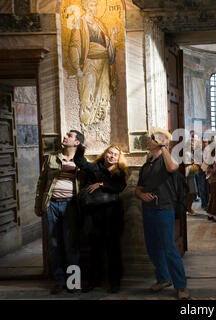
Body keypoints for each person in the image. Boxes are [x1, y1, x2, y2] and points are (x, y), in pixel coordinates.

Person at [135, 127, 190, 300]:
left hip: (164, 209)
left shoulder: (166, 161)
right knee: (152, 248)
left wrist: (165, 146)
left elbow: (173, 167)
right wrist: (141, 195)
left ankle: (181, 286)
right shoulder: (147, 164)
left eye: (152, 139)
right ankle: (163, 278)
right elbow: (138, 188)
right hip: (148, 209)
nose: (148, 141)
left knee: (168, 248)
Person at [34, 130, 85, 294]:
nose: (65, 137)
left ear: (76, 142)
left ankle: (73, 282)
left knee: (72, 246)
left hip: (71, 206)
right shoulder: (51, 158)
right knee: (54, 245)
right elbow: (41, 183)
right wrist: (38, 204)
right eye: (66, 135)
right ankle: (59, 281)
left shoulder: (81, 162)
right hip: (52, 205)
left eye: (69, 136)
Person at [74, 145, 128, 294]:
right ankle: (93, 282)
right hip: (94, 215)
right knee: (95, 250)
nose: (111, 156)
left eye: (115, 155)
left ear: (118, 158)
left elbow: (120, 187)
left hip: (113, 216)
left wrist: (101, 184)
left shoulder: (120, 172)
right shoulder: (94, 168)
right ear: (105, 154)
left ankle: (114, 283)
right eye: (110, 153)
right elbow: (79, 161)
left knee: (113, 251)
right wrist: (80, 147)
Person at [68, 0, 118, 127]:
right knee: (88, 91)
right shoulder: (80, 22)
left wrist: (111, 36)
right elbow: (75, 45)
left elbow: (106, 43)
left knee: (103, 92)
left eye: (95, 5)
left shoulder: (99, 23)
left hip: (104, 61)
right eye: (91, 5)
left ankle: (99, 119)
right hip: (90, 61)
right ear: (85, 6)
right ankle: (86, 121)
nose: (93, 8)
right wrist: (77, 67)